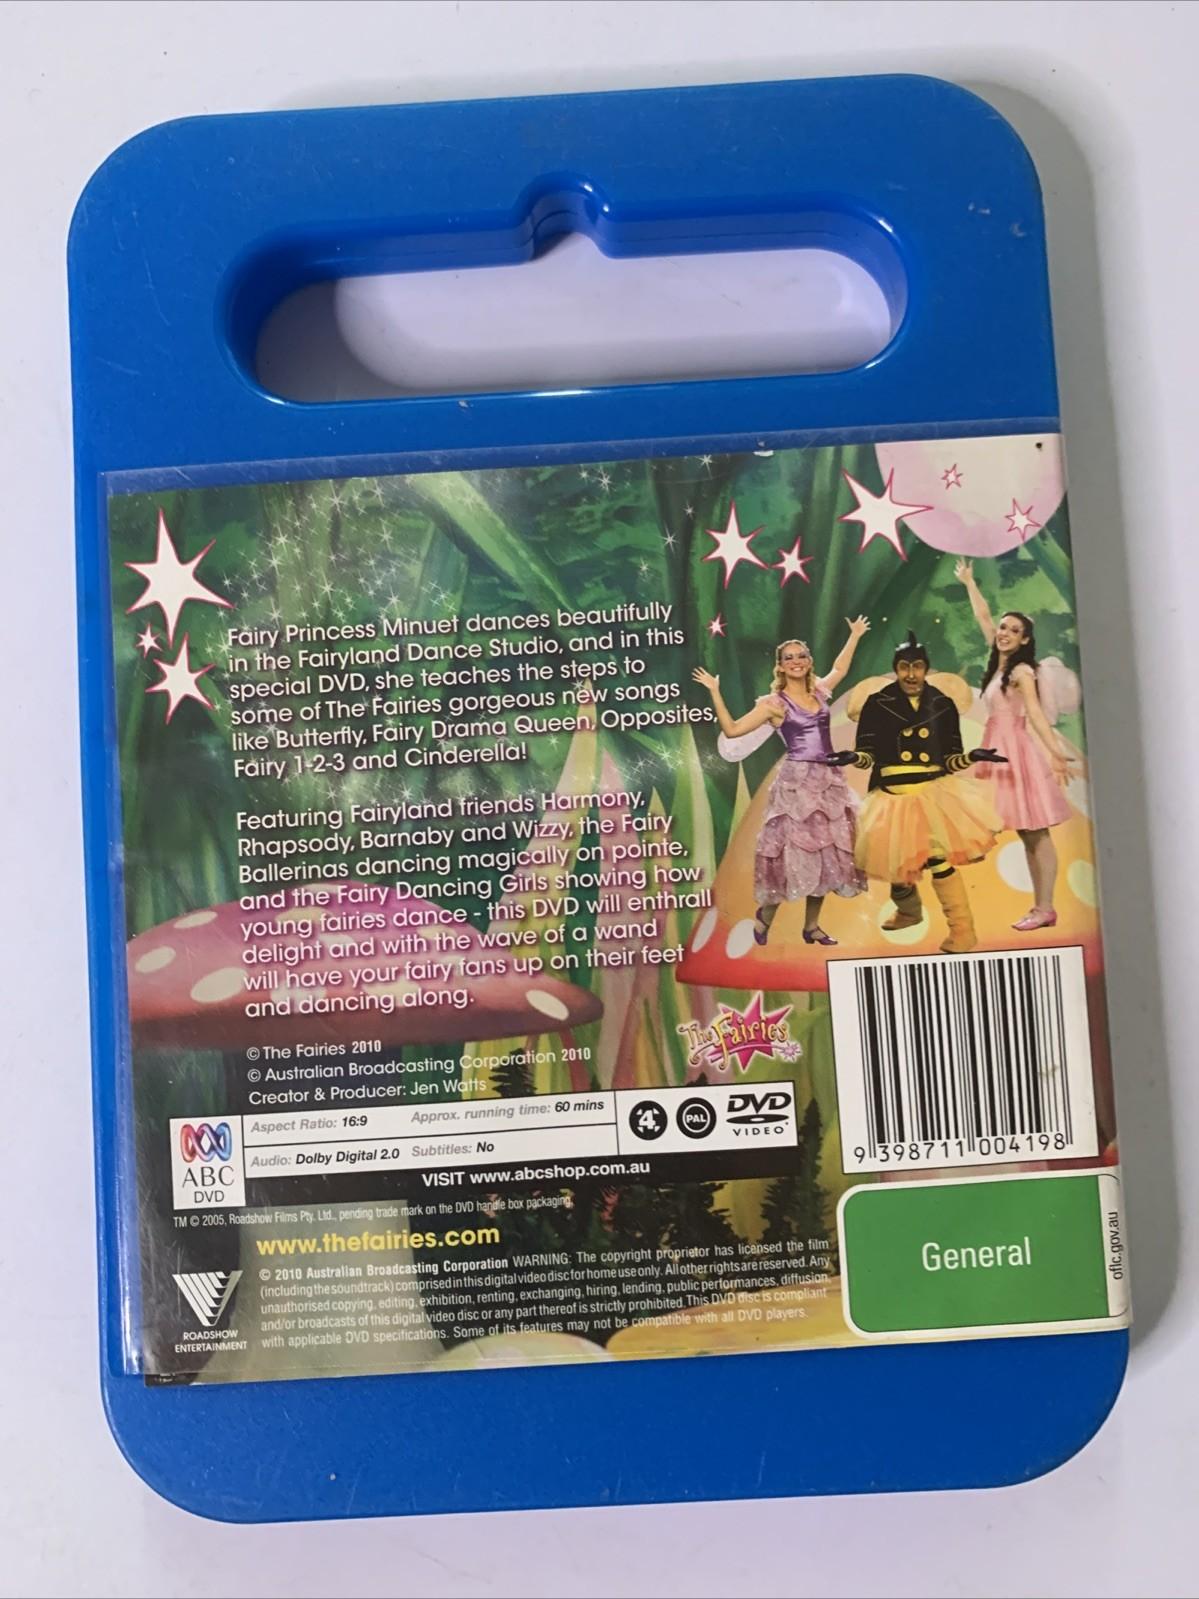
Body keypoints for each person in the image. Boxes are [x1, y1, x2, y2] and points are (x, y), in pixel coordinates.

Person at [692, 617, 870, 946]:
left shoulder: (819, 692)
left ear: (809, 661)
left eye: (801, 655)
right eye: (789, 657)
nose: (796, 661)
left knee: (826, 853)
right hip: (797, 784)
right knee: (791, 854)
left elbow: (840, 669)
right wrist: (715, 692)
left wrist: (855, 635)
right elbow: (732, 729)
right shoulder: (774, 705)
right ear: (780, 666)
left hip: (828, 779)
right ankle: (766, 917)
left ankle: (812, 926)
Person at [829, 629, 1006, 953]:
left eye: (918, 666)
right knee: (898, 861)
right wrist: (853, 758)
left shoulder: (942, 704)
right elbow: (868, 754)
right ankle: (909, 912)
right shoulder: (876, 704)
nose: (911, 675)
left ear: (926, 668)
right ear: (896, 669)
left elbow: (950, 759)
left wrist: (972, 756)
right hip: (891, 796)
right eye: (904, 667)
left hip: (932, 794)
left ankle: (963, 931)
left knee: (938, 859)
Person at [954, 559, 1078, 931]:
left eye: (1014, 630)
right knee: (1024, 831)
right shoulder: (999, 663)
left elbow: (1036, 715)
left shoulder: (1021, 671)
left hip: (1015, 752)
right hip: (997, 748)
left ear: (1025, 640)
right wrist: (969, 582)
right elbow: (983, 616)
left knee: (1035, 831)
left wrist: (1055, 754)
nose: (1004, 632)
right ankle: (1041, 907)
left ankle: (1044, 908)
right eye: (1004, 627)